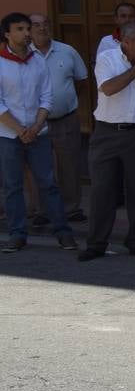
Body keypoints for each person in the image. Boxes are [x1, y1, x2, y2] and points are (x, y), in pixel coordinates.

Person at [78, 23, 135, 261]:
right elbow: (108, 88)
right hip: (107, 132)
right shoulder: (107, 59)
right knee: (102, 189)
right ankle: (96, 244)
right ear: (126, 41)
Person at [0, 13, 77, 253]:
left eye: (27, 28)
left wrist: (35, 127)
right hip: (8, 135)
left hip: (38, 132)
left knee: (48, 183)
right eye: (20, 29)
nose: (26, 33)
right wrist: (20, 129)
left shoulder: (38, 61)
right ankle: (17, 234)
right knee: (13, 186)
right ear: (7, 34)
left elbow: (47, 96)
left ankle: (63, 232)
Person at [27, 13, 86, 223]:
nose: (42, 28)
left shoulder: (67, 51)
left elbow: (81, 80)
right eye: (36, 25)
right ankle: (42, 211)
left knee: (69, 165)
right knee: (39, 167)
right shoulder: (23, 55)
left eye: (45, 24)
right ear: (28, 29)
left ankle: (71, 209)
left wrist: (64, 101)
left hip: (65, 119)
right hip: (35, 123)